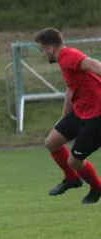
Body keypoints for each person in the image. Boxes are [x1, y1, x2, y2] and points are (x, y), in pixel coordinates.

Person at [36, 27, 101, 204]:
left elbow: (94, 64)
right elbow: (71, 89)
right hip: (81, 111)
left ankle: (97, 188)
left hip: (96, 115)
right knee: (52, 142)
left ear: (50, 49)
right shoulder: (65, 63)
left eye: (41, 50)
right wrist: (65, 117)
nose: (41, 55)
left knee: (74, 161)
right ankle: (72, 179)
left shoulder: (68, 56)